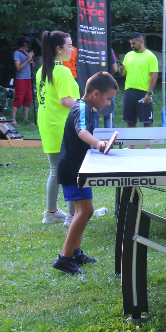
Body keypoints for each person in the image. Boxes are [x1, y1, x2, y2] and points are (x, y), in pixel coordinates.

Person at [51, 72, 119, 274]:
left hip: (82, 167)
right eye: (108, 98)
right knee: (84, 212)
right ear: (96, 93)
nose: (108, 103)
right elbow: (81, 132)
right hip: (73, 169)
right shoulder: (80, 108)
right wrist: (97, 143)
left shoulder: (89, 108)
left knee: (85, 211)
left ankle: (75, 253)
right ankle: (64, 258)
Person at [36, 31, 79, 225]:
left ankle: (51, 212)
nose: (72, 49)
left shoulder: (42, 70)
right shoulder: (62, 71)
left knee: (55, 169)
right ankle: (72, 215)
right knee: (71, 169)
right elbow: (65, 100)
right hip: (62, 126)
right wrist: (85, 103)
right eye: (69, 45)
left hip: (48, 124)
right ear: (59, 49)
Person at [118, 32, 159, 130]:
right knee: (130, 120)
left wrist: (149, 93)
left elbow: (154, 76)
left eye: (134, 43)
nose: (132, 46)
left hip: (143, 92)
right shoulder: (128, 55)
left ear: (141, 41)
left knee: (147, 121)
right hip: (129, 91)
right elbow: (122, 73)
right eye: (131, 44)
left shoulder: (150, 56)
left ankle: (147, 145)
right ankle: (132, 145)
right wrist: (121, 69)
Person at [11, 37, 35, 125]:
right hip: (20, 79)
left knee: (28, 98)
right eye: (28, 43)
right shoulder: (17, 53)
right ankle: (13, 119)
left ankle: (25, 119)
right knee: (19, 98)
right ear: (25, 44)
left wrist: (31, 58)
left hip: (28, 78)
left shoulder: (27, 53)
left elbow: (32, 66)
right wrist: (27, 59)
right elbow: (18, 68)